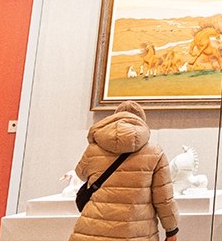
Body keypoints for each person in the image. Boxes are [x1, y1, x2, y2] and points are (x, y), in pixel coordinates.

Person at [69, 100, 179, 241]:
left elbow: (81, 174)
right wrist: (171, 230)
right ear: (141, 121)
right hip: (135, 232)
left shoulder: (93, 149)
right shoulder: (154, 152)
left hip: (93, 228)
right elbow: (163, 198)